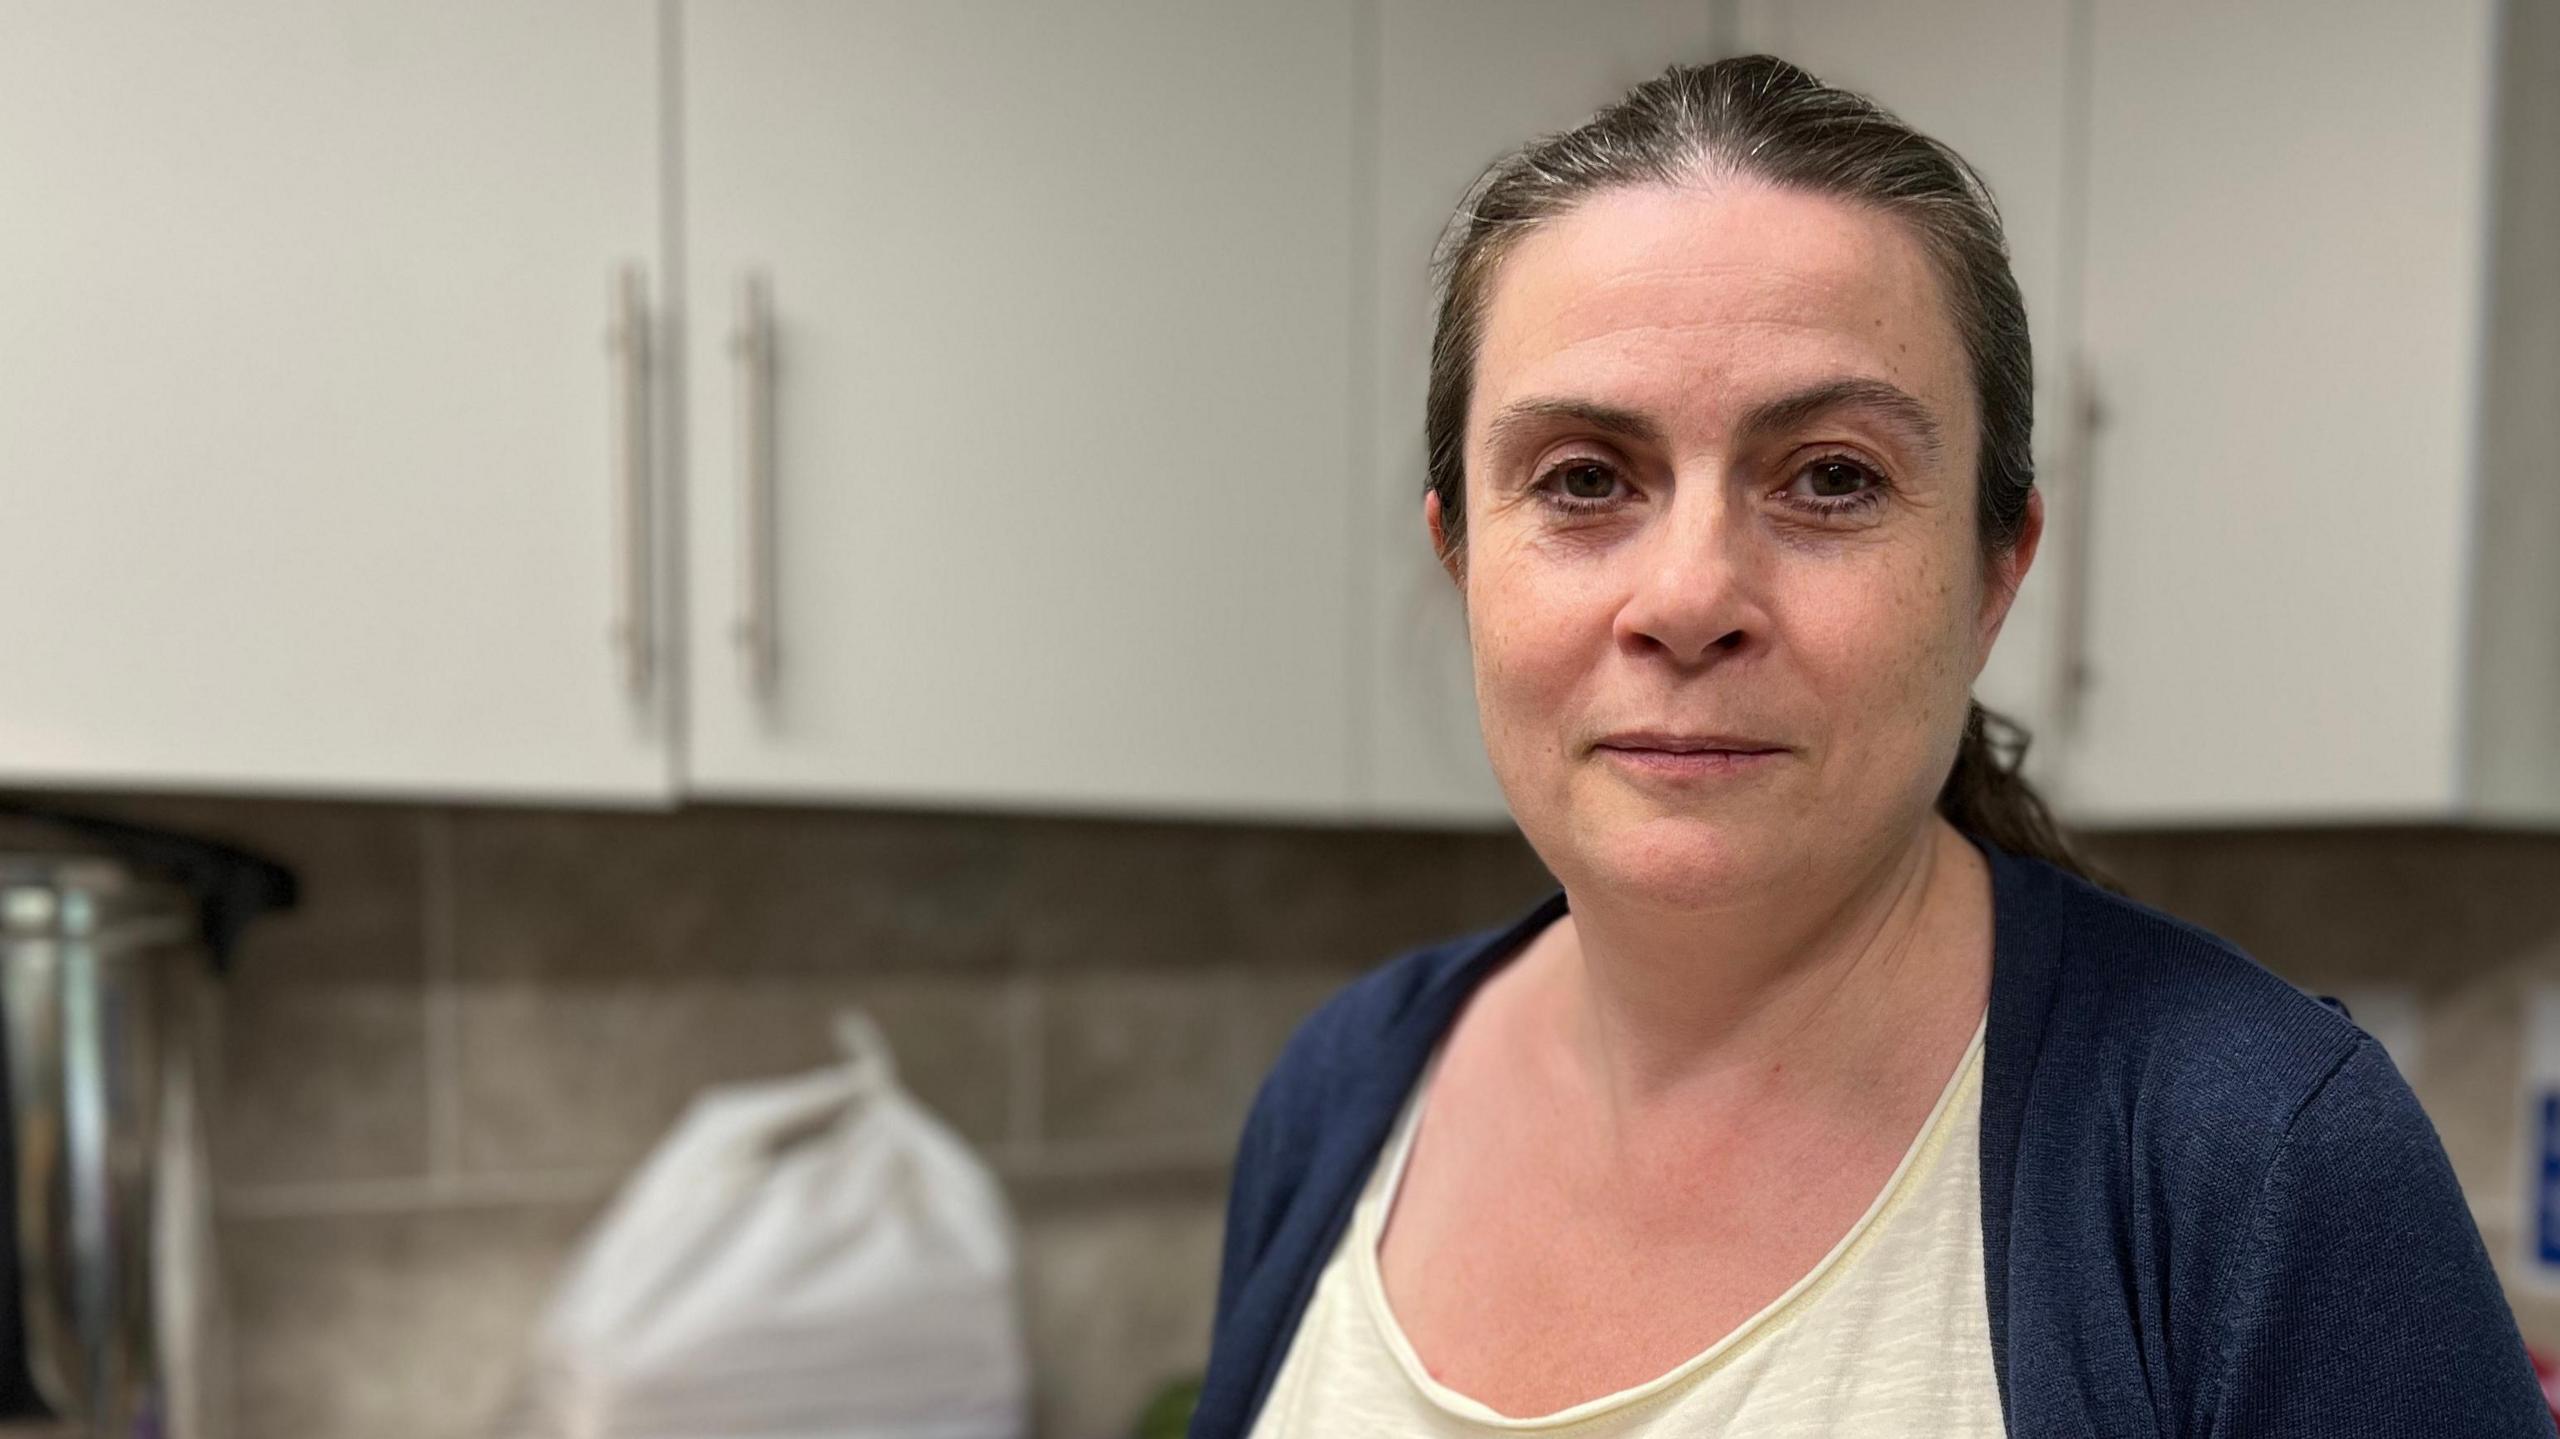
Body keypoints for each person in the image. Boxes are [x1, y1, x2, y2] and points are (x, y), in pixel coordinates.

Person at [1191, 55, 2553, 1438]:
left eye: (1832, 478)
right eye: (1586, 479)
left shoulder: (2256, 1162)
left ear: (1995, 571)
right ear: (1462, 560)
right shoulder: (1343, 1093)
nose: (1688, 600)